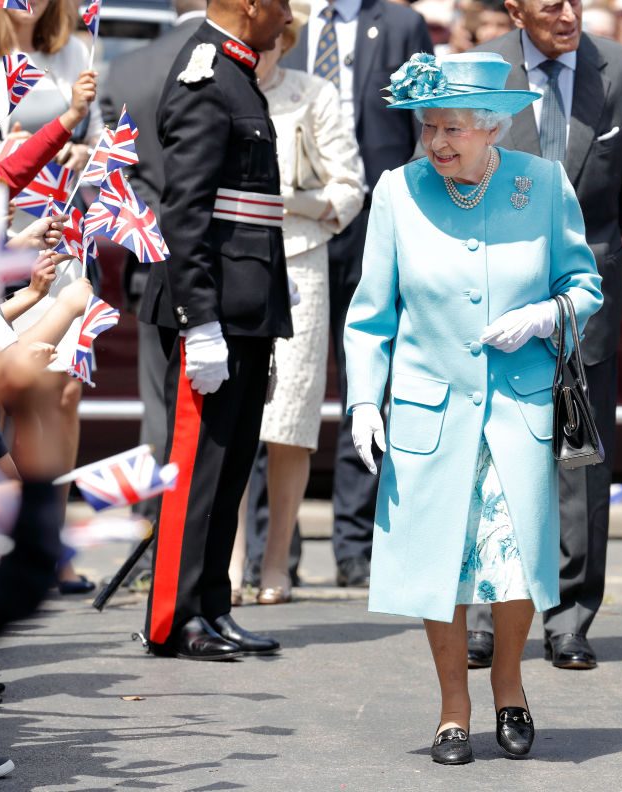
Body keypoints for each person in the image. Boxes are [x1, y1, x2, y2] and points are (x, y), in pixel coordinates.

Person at [344, 51, 603, 763]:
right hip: (432, 413)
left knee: (516, 559)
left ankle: (511, 689)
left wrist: (546, 318)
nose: (437, 142)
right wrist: (365, 398)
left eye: (452, 127)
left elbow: (584, 286)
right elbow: (370, 316)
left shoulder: (543, 185)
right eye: (429, 126)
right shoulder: (398, 192)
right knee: (442, 565)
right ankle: (453, 707)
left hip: (516, 412)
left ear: (493, 127)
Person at [469, 0, 622, 671]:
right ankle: (486, 612)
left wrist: (587, 247)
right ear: (515, 9)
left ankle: (569, 618)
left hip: (587, 294)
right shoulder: (481, 71)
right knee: (492, 456)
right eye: (551, 6)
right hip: (494, 293)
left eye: (576, 1)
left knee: (582, 459)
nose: (569, 15)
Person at [137, 0, 294, 660]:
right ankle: (174, 617)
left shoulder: (237, 73)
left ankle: (211, 606)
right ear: (252, 5)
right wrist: (198, 322)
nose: (286, 17)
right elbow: (186, 214)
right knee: (199, 471)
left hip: (245, 310)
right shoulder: (206, 75)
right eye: (281, 4)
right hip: (215, 313)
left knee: (228, 468)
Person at [280, 0, 433, 589]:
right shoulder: (283, 20)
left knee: (367, 384)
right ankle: (277, 547)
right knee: (283, 386)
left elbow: (425, 126)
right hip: (297, 225)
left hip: (376, 222)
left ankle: (354, 544)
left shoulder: (399, 24)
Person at [251, 8, 364, 604]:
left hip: (300, 265)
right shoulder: (218, 87)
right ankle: (223, 564)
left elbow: (349, 187)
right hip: (233, 264)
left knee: (290, 422)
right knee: (229, 418)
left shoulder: (313, 93)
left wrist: (288, 201)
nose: (261, 53)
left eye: (271, 45)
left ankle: (275, 564)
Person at [99, 0, 206, 557]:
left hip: (154, 255)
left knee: (159, 407)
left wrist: (161, 228)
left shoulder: (128, 70)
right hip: (221, 255)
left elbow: (118, 175)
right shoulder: (227, 60)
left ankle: (152, 539)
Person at [0, 0, 103, 170]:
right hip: (2, 190)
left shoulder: (74, 51)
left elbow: (96, 133)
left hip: (62, 191)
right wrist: (3, 149)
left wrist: (86, 153)